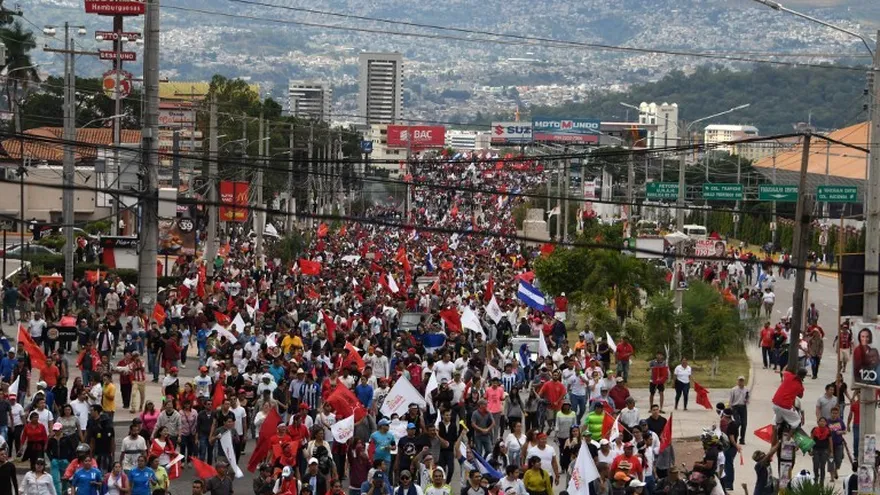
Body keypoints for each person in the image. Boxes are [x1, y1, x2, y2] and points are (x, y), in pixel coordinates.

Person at [728, 376, 748, 445]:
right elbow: (730, 400)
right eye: (739, 381)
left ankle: (742, 439)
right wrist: (730, 408)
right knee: (737, 422)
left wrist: (747, 400)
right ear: (737, 381)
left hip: (743, 407)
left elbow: (748, 399)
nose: (741, 382)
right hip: (735, 407)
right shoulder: (733, 390)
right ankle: (734, 436)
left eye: (742, 381)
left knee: (744, 424)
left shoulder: (746, 390)